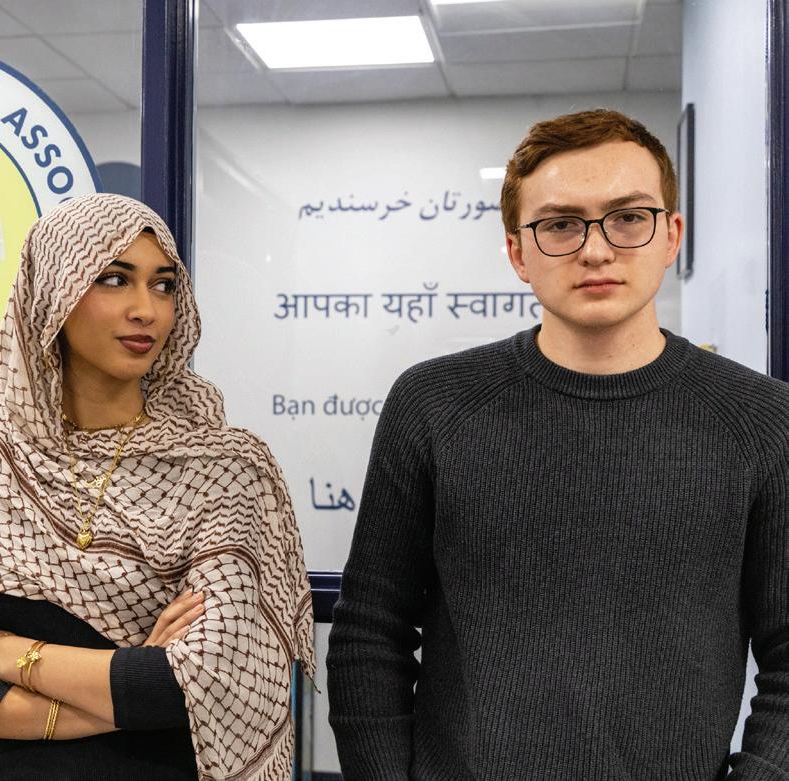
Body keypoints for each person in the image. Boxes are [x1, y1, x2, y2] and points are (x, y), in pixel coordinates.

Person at [326, 109, 789, 779]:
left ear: (671, 236)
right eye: (561, 225)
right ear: (519, 252)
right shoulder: (432, 404)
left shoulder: (762, 419)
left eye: (628, 217)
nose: (596, 250)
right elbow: (371, 631)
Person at [0, 193, 315, 781]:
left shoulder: (224, 471)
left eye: (163, 285)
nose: (146, 309)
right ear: (54, 296)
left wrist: (6, 654)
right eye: (114, 280)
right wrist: (124, 684)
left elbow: (198, 684)